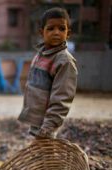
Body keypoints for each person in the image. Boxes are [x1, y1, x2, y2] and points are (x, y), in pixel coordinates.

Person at [18, 7, 78, 139]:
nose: (56, 33)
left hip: (47, 124)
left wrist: (48, 127)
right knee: (40, 155)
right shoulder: (41, 55)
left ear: (68, 33)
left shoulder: (64, 61)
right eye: (51, 28)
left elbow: (62, 98)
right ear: (41, 32)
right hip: (37, 120)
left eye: (62, 29)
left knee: (47, 154)